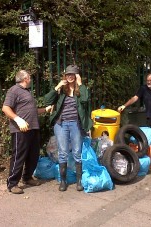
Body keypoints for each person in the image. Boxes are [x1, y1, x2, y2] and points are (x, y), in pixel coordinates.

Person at [2, 70, 52, 194]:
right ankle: (12, 183)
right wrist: (18, 119)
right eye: (29, 77)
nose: (31, 80)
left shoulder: (26, 92)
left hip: (33, 128)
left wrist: (45, 109)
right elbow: (5, 108)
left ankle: (27, 177)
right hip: (21, 130)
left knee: (33, 155)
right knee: (19, 156)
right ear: (26, 78)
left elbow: (33, 111)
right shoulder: (14, 90)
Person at [44, 64, 93, 192]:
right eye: (68, 74)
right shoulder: (61, 90)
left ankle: (79, 181)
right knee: (63, 153)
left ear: (76, 76)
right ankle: (63, 181)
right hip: (61, 124)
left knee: (77, 152)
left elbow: (85, 99)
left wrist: (81, 84)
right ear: (65, 76)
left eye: (73, 74)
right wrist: (58, 86)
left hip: (76, 124)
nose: (70, 76)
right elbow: (47, 100)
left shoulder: (80, 90)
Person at [117, 73, 151, 148]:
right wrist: (124, 105)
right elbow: (135, 98)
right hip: (150, 116)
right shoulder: (143, 88)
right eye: (148, 81)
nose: (149, 82)